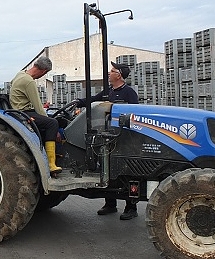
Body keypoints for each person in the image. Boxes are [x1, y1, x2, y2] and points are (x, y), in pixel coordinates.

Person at [74, 61, 140, 220]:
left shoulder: (129, 93)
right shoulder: (109, 91)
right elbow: (94, 100)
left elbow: (135, 115)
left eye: (112, 71)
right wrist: (79, 102)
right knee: (107, 169)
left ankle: (131, 207)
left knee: (125, 171)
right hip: (106, 136)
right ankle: (110, 204)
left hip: (123, 138)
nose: (109, 73)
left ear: (119, 75)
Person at [10, 56, 62, 177]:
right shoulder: (29, 81)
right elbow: (38, 106)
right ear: (44, 72)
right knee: (53, 123)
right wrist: (54, 129)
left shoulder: (20, 74)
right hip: (24, 112)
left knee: (57, 120)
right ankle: (51, 164)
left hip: (19, 110)